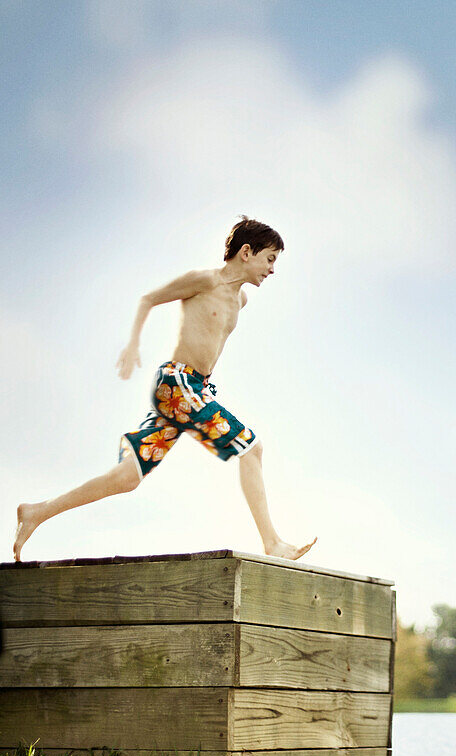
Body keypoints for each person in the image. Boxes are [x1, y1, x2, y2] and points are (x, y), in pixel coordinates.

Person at [13, 216, 317, 563]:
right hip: (178, 384)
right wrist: (132, 346)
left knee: (127, 478)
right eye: (270, 259)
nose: (273, 269)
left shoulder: (241, 301)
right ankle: (272, 542)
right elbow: (149, 298)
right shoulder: (204, 281)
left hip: (192, 391)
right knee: (251, 448)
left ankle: (37, 512)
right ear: (246, 252)